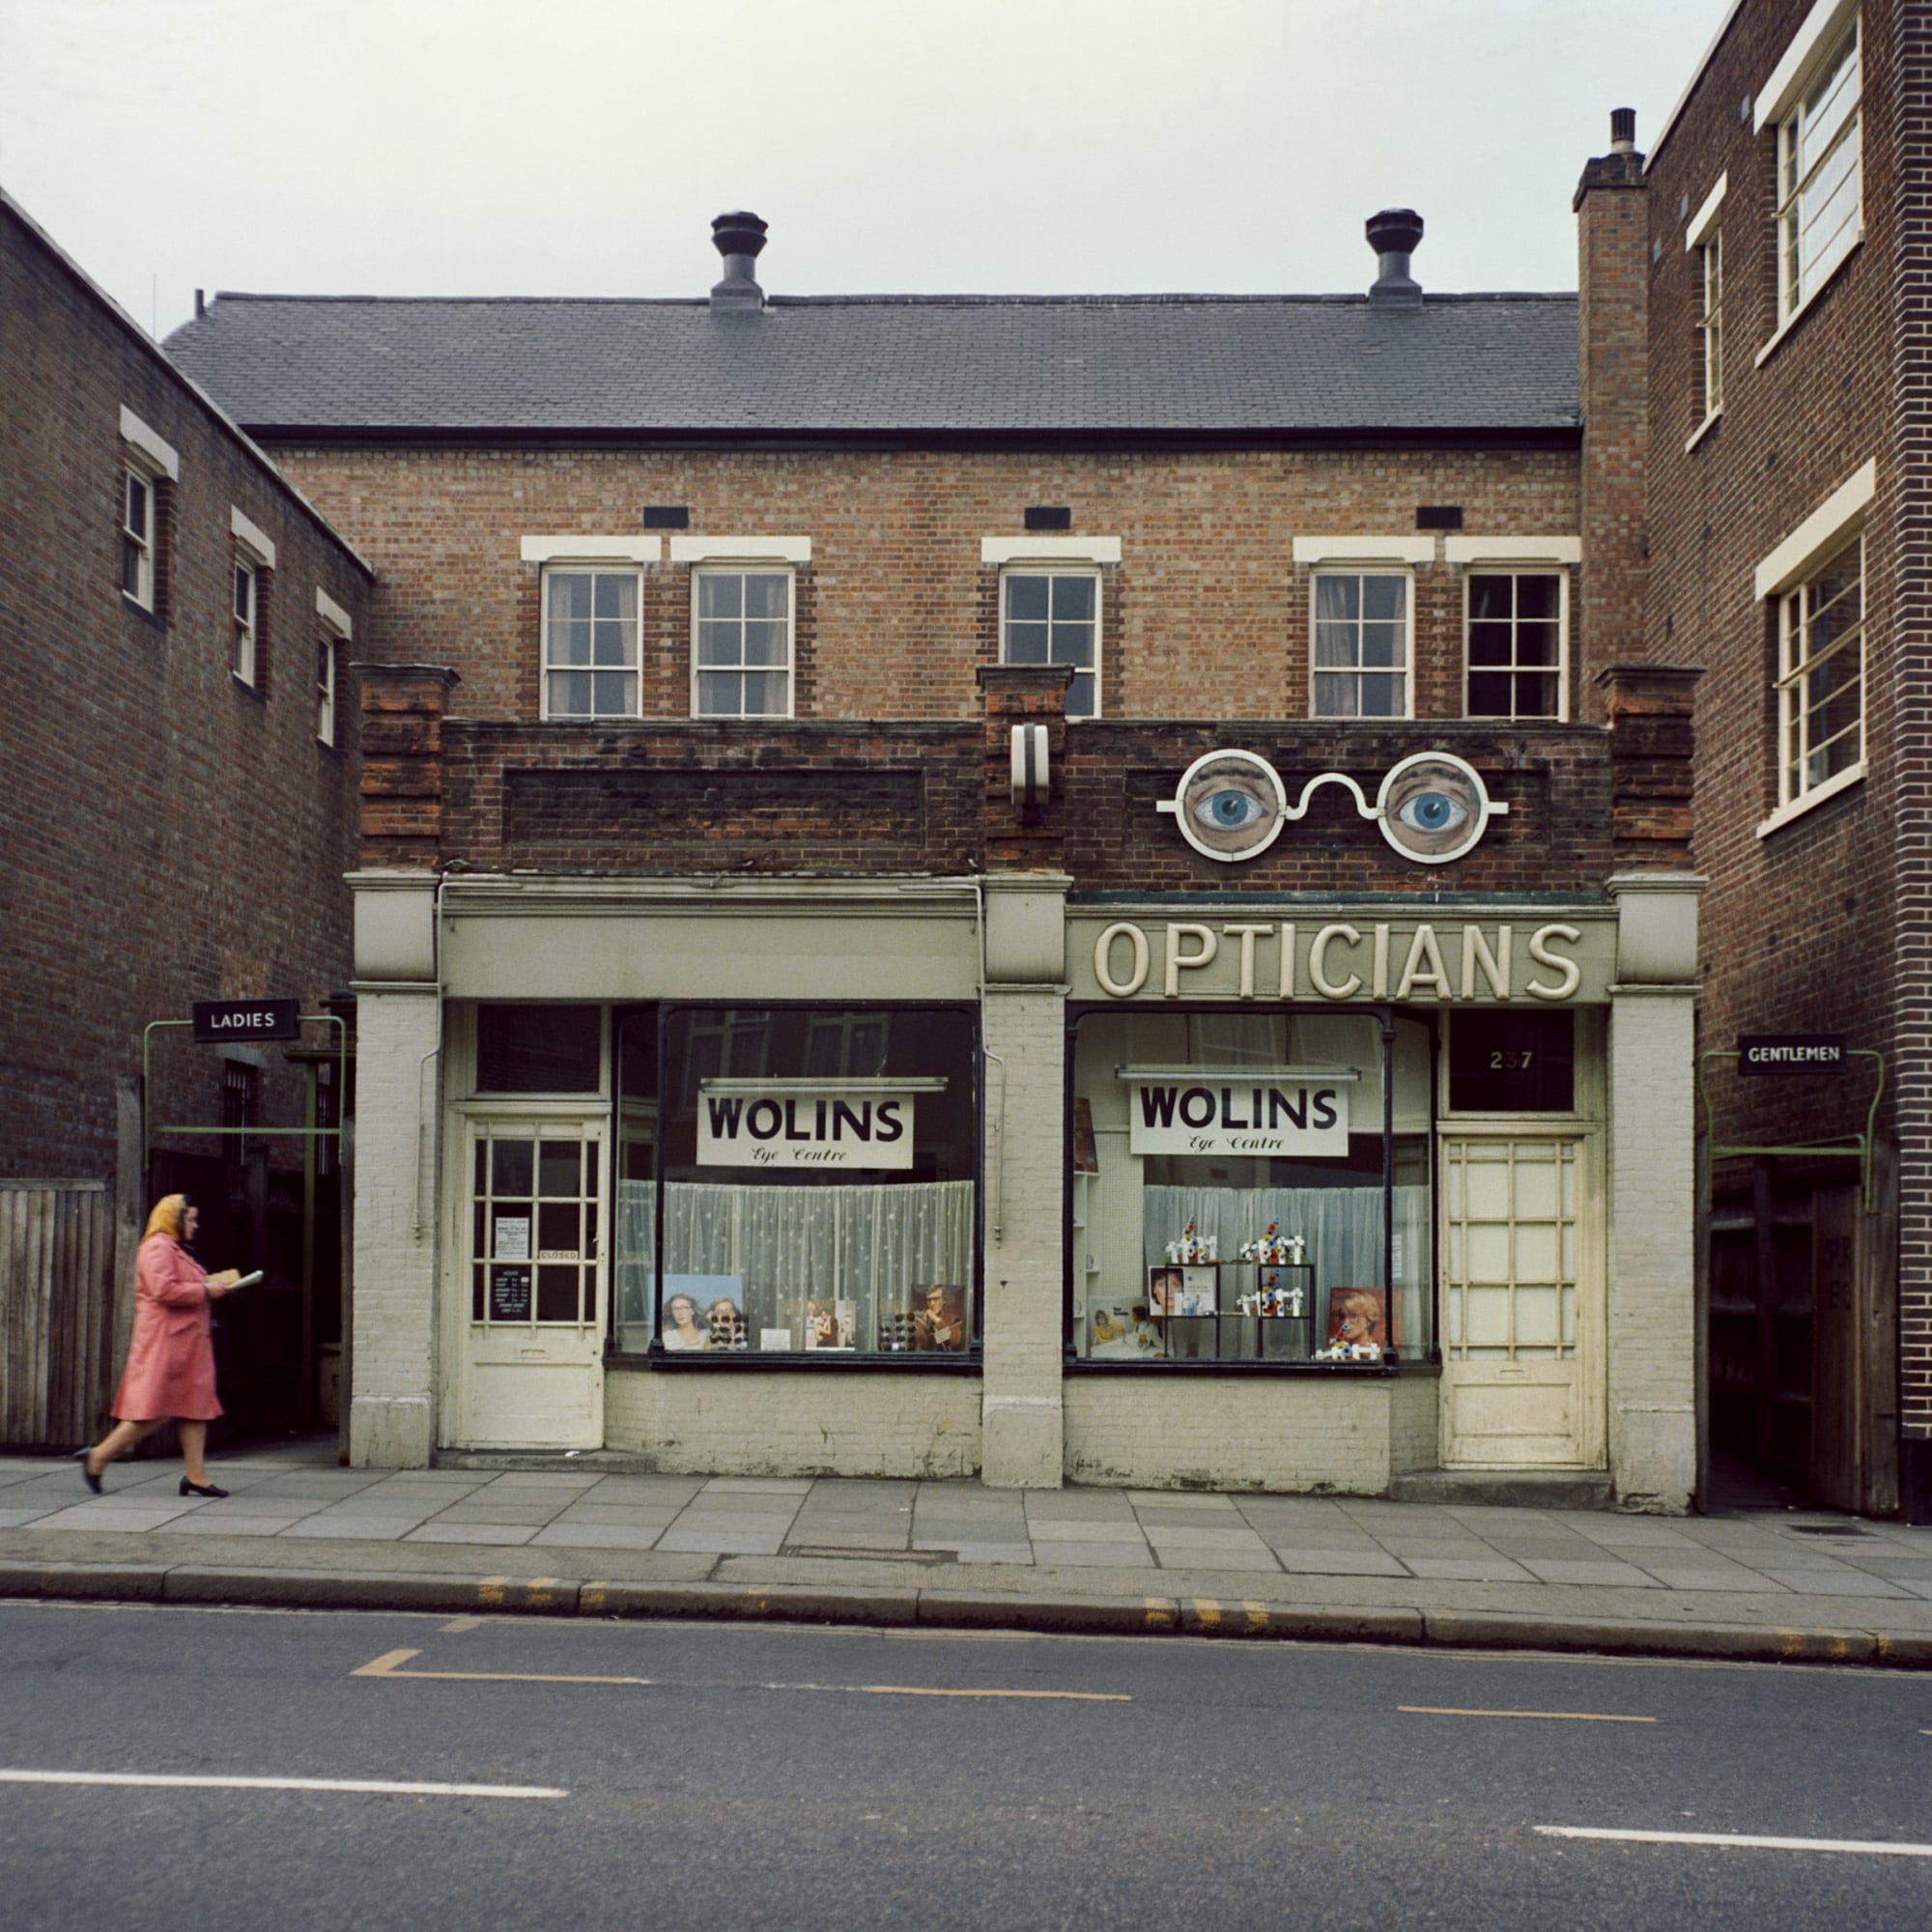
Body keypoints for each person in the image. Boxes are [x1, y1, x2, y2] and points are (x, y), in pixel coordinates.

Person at [77, 1194, 242, 1497]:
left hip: (186, 1344)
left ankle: (196, 1476)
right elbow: (163, 1289)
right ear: (173, 1219)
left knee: (195, 1408)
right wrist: (205, 1290)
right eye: (189, 1219)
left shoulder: (175, 1249)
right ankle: (98, 1456)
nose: (195, 1225)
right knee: (155, 1411)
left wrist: (214, 1287)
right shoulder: (157, 1247)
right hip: (167, 1343)